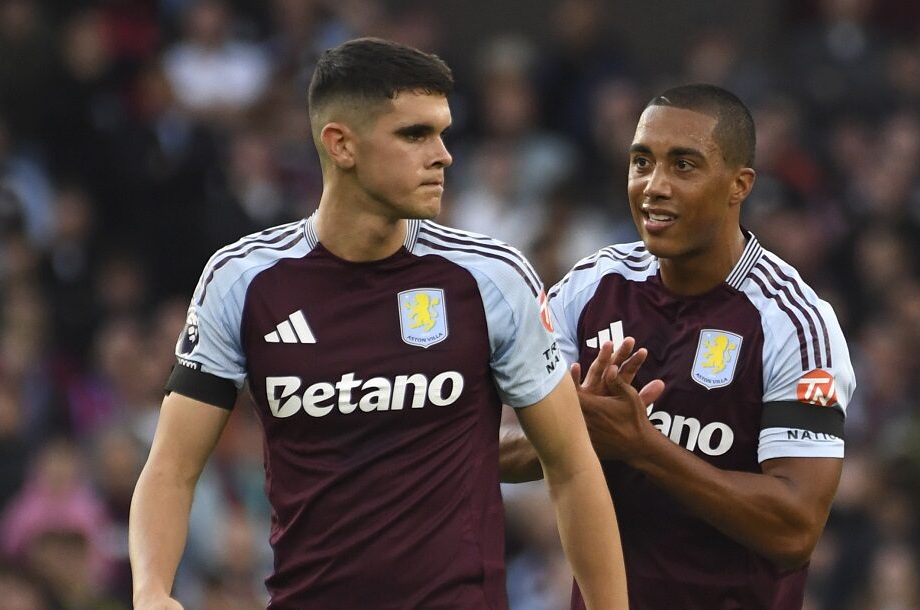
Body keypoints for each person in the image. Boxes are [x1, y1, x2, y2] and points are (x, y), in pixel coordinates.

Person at [129, 38, 628, 610]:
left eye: (443, 133)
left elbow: (570, 465)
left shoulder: (491, 277)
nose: (443, 155)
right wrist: (150, 590)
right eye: (415, 134)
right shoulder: (242, 282)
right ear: (340, 144)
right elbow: (170, 468)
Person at [500, 84, 856, 609]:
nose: (653, 186)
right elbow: (495, 444)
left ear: (740, 185)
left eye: (683, 166)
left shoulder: (794, 322)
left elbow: (794, 527)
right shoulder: (589, 288)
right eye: (642, 162)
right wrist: (574, 431)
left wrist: (643, 445)